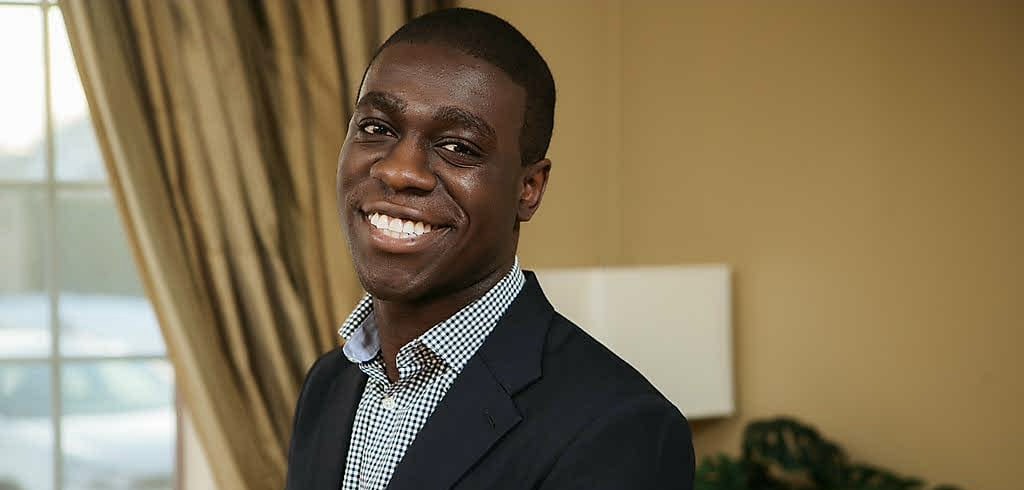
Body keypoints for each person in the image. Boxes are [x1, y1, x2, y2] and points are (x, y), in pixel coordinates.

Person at [285, 8, 694, 490]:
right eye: (377, 129)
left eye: (458, 147)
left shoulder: (620, 431)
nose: (399, 171)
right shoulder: (327, 386)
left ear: (529, 189)